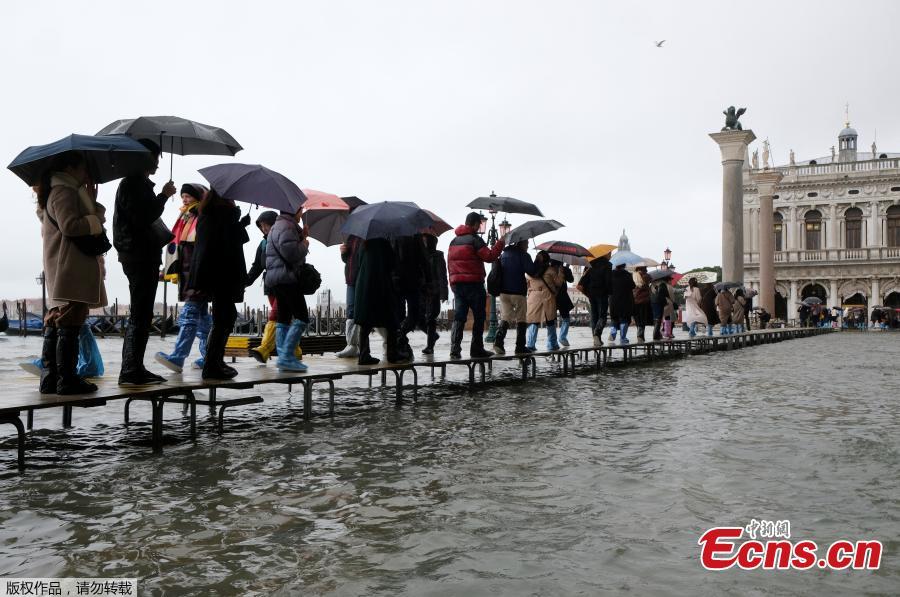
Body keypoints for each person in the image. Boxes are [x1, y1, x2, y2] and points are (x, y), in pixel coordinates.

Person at [38, 151, 108, 394]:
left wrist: (91, 201)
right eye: (82, 169)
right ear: (70, 169)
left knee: (59, 316)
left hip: (62, 263)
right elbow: (70, 226)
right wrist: (96, 217)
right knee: (71, 317)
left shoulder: (58, 191)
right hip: (70, 264)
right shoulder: (64, 191)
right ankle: (67, 379)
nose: (86, 174)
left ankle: (50, 379)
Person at [113, 139, 176, 385]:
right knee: (141, 313)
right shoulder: (133, 184)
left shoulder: (135, 184)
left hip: (138, 253)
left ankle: (133, 367)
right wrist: (162, 196)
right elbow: (143, 217)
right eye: (156, 159)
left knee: (142, 312)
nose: (158, 165)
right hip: (138, 254)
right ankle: (130, 369)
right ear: (145, 158)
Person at [187, 190, 250, 379]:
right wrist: (238, 222)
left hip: (213, 274)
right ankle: (212, 364)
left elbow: (224, 239)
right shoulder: (222, 214)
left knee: (224, 316)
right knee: (225, 317)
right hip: (222, 274)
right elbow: (228, 242)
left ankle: (214, 362)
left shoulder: (209, 214)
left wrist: (239, 223)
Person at [154, 183, 212, 373]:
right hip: (189, 275)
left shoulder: (200, 217)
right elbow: (178, 247)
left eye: (188, 196)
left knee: (189, 316)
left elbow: (197, 249)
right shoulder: (187, 217)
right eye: (183, 197)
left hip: (197, 275)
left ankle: (178, 358)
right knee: (203, 321)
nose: (184, 200)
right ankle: (209, 357)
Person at [447, 212, 504, 358]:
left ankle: (455, 350)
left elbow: (450, 265)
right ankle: (476, 349)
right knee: (479, 317)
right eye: (479, 224)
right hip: (473, 284)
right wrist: (501, 243)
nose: (479, 227)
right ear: (474, 224)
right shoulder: (475, 240)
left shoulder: (454, 241)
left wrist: (452, 283)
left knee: (459, 316)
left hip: (458, 285)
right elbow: (489, 257)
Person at [265, 208, 310, 372]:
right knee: (302, 317)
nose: (302, 213)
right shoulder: (287, 226)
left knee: (283, 318)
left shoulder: (278, 225)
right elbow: (291, 253)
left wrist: (302, 236)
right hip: (287, 278)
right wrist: (304, 243)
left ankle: (284, 356)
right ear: (294, 211)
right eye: (301, 210)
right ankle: (286, 357)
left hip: (276, 277)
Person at [354, 238, 412, 365]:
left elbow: (358, 263)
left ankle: (363, 355)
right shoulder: (384, 243)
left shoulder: (363, 244)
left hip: (364, 286)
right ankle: (392, 353)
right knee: (391, 321)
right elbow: (393, 264)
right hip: (381, 286)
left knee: (365, 323)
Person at [243, 211, 283, 363]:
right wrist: (245, 282)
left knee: (275, 315)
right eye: (262, 226)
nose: (264, 228)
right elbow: (257, 266)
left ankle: (264, 349)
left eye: (267, 225)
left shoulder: (281, 238)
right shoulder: (263, 244)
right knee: (283, 318)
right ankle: (293, 350)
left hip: (283, 282)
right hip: (270, 284)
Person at [494, 239, 536, 355]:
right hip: (518, 292)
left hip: (503, 292)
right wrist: (537, 262)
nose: (527, 246)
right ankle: (520, 347)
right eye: (527, 244)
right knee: (521, 319)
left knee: (506, 317)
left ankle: (498, 342)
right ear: (521, 243)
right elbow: (532, 271)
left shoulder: (504, 254)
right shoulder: (524, 255)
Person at [393, 233, 429, 356]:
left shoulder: (391, 234)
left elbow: (424, 259)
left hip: (402, 281)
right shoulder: (415, 235)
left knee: (407, 315)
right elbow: (424, 259)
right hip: (408, 281)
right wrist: (429, 280)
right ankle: (401, 341)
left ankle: (400, 339)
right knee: (409, 314)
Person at [525, 251, 566, 350]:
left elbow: (528, 285)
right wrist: (561, 272)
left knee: (534, 321)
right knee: (550, 321)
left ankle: (530, 344)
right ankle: (552, 344)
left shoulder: (530, 271)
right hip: (547, 297)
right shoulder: (551, 270)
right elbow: (559, 283)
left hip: (533, 298)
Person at [335, 232, 364, 358]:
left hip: (362, 278)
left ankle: (358, 346)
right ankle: (351, 345)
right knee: (351, 310)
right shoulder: (350, 236)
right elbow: (348, 260)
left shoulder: (366, 236)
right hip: (351, 278)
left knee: (360, 312)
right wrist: (343, 252)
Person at [421, 234, 448, 355]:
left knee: (431, 318)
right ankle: (433, 336)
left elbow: (442, 275)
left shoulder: (438, 256)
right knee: (417, 317)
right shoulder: (420, 256)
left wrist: (444, 294)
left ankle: (430, 346)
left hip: (434, 292)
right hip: (422, 291)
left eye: (426, 241)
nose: (424, 243)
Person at [576, 252, 612, 347]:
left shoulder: (590, 264)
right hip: (602, 293)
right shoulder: (608, 264)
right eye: (610, 254)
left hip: (591, 293)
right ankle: (597, 333)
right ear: (605, 255)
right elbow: (608, 281)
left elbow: (585, 279)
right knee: (602, 315)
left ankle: (596, 339)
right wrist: (610, 292)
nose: (610, 255)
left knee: (594, 315)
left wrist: (588, 293)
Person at [609, 262, 636, 344]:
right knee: (624, 318)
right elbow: (633, 286)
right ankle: (622, 337)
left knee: (614, 318)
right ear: (624, 266)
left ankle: (613, 333)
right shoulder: (627, 275)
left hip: (613, 300)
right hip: (625, 300)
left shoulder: (610, 274)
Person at [555, 260, 575, 347]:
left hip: (554, 296)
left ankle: (553, 341)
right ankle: (561, 337)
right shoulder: (562, 269)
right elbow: (571, 280)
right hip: (560, 296)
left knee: (552, 320)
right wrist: (566, 269)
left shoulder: (550, 269)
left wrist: (566, 269)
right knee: (565, 318)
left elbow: (571, 280)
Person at [632, 266, 652, 342]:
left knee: (637, 318)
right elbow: (650, 279)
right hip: (644, 300)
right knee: (642, 318)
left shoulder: (633, 276)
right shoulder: (646, 276)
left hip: (634, 300)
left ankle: (639, 333)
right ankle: (641, 335)